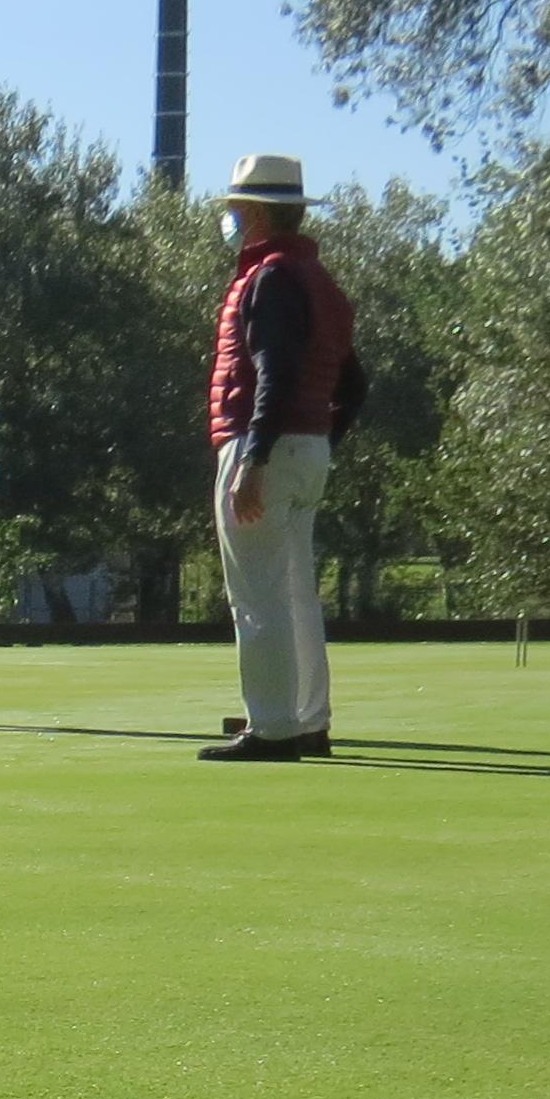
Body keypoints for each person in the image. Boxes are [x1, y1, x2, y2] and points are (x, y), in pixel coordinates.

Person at [198, 151, 365, 762]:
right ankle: (308, 719)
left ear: (260, 214)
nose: (233, 219)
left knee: (259, 594)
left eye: (238, 209)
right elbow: (355, 383)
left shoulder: (270, 279)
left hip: (259, 444)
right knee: (295, 591)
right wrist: (315, 437)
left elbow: (272, 374)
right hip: (307, 447)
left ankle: (270, 728)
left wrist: (256, 458)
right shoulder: (321, 283)